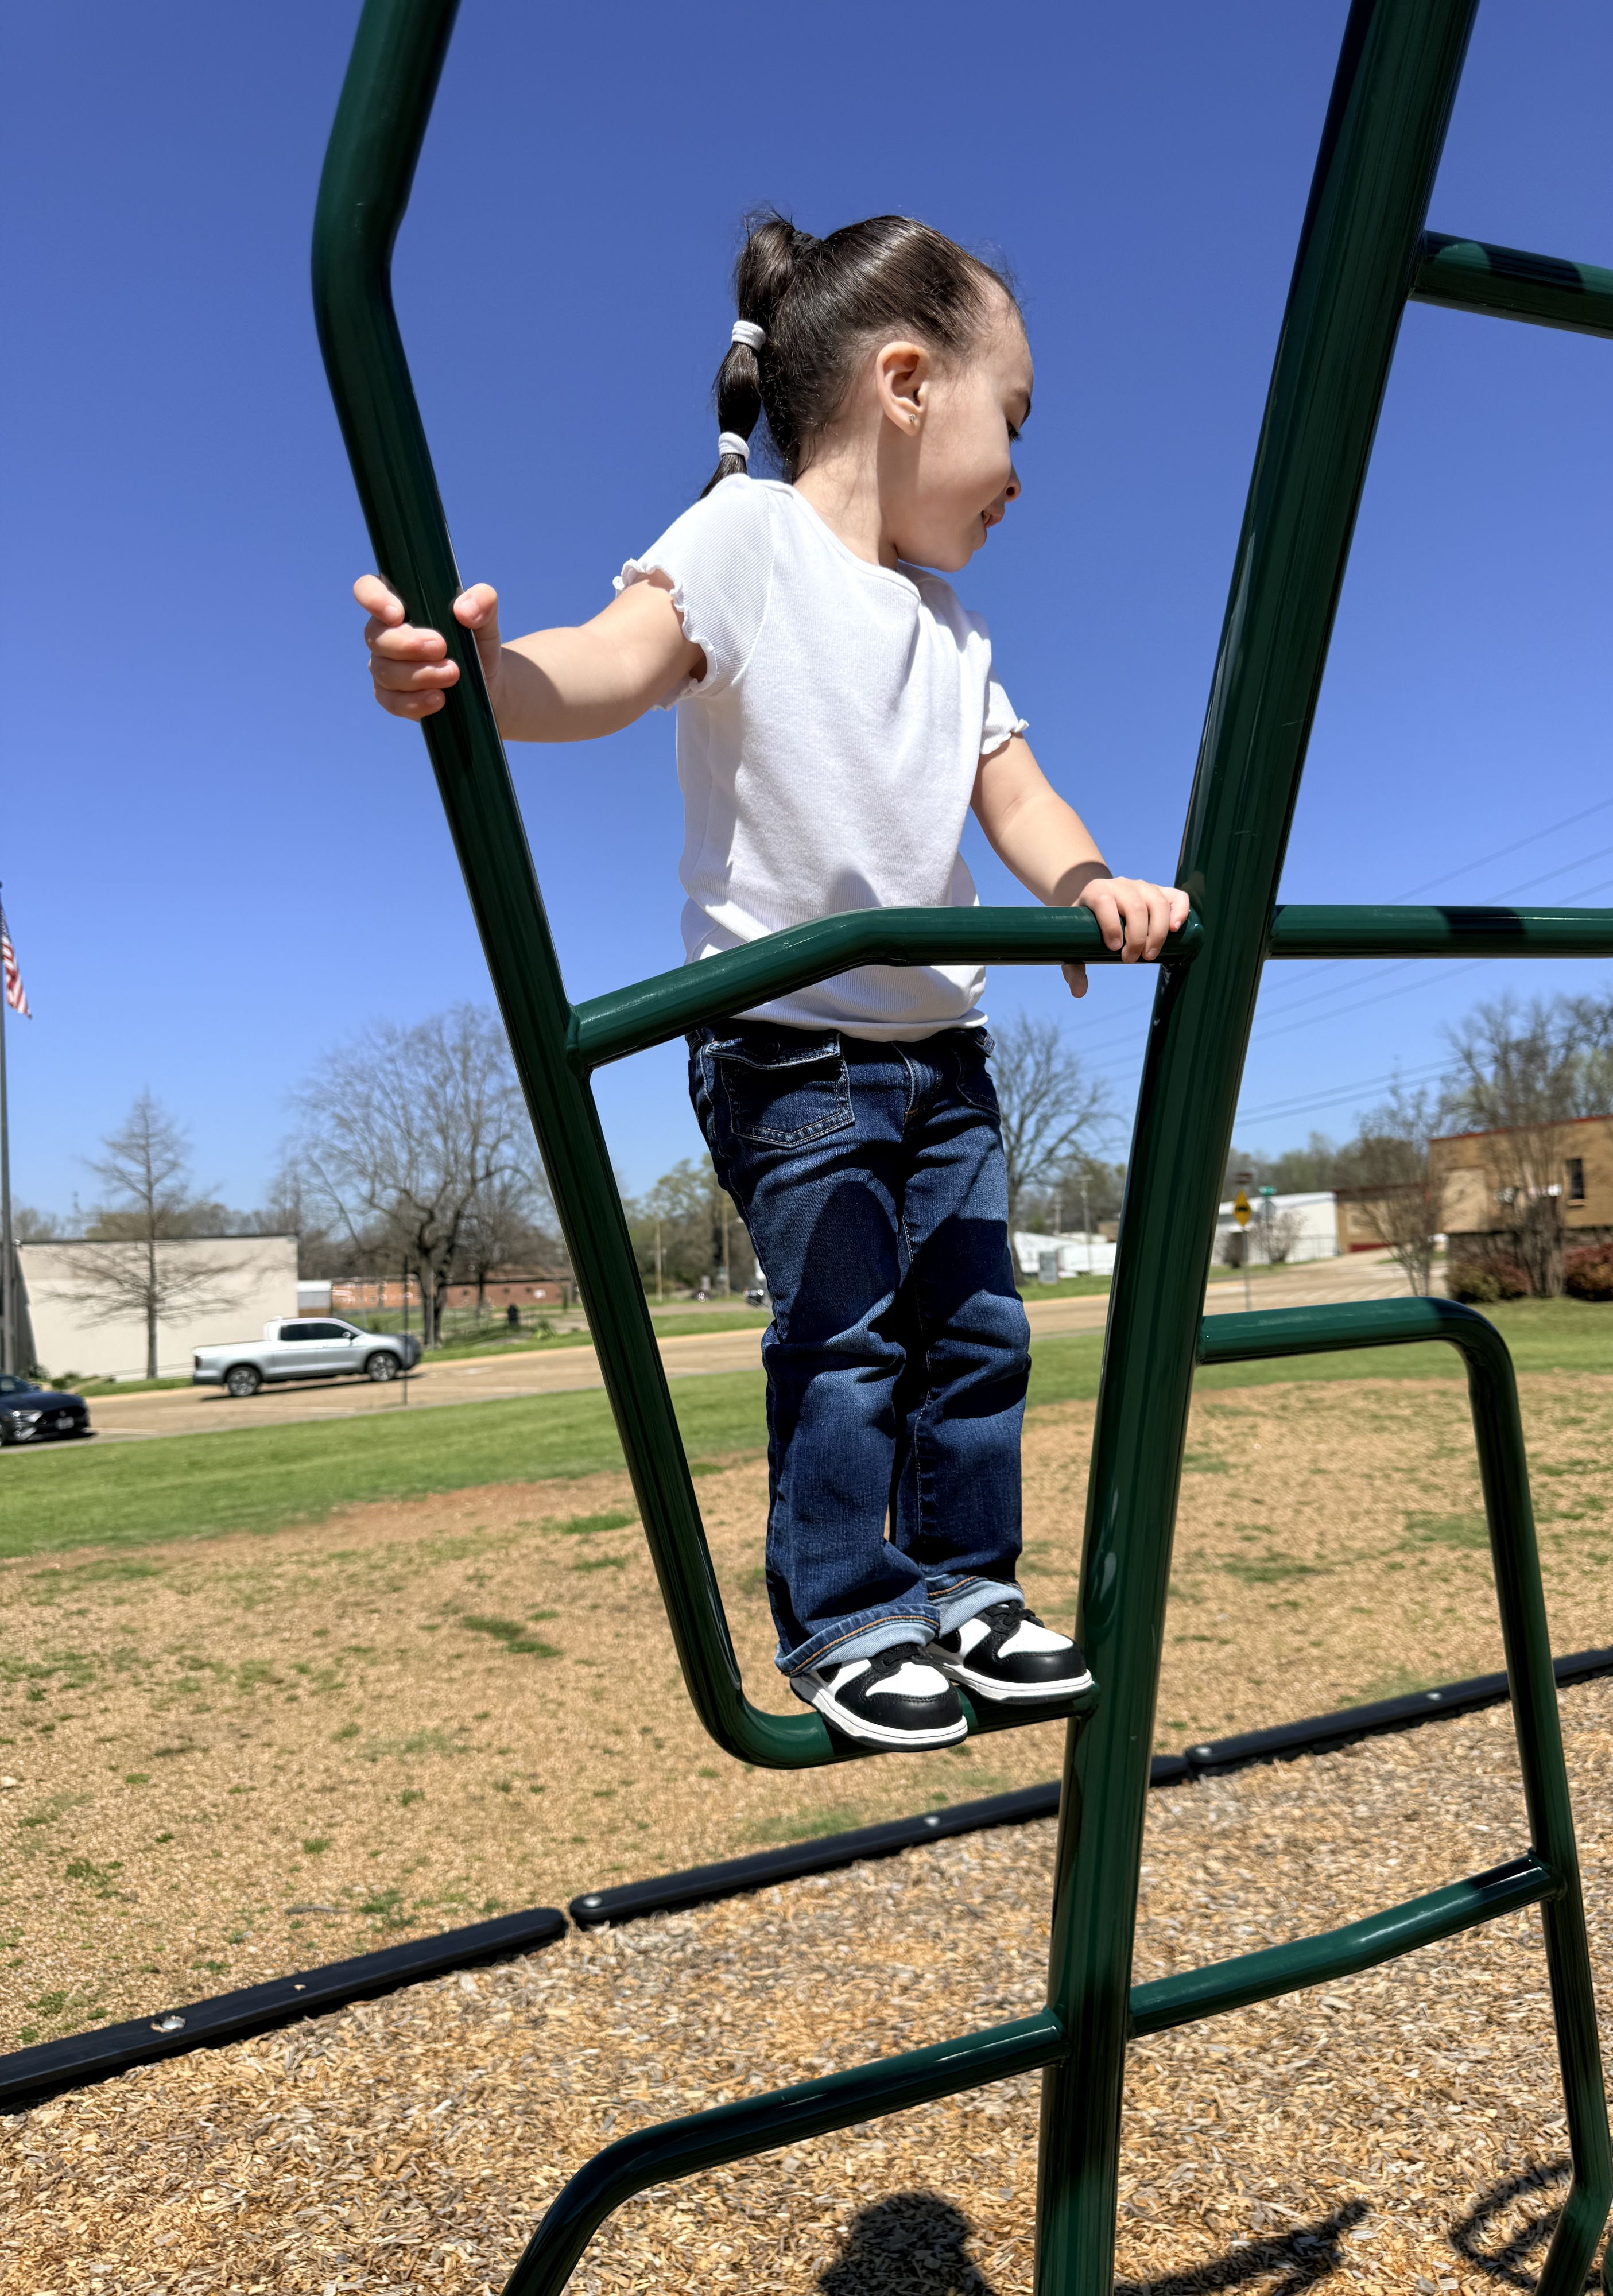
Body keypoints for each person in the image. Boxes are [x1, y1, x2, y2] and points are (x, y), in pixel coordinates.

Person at [354, 212, 1189, 1749]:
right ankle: (847, 1614)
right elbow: (609, 664)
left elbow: (1019, 796)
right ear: (906, 383)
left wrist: (1088, 888)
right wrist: (478, 682)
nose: (1022, 467)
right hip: (789, 1046)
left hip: (944, 1045)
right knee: (851, 1337)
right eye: (1018, 412)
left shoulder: (952, 627)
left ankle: (967, 1589)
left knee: (982, 1330)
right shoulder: (742, 536)